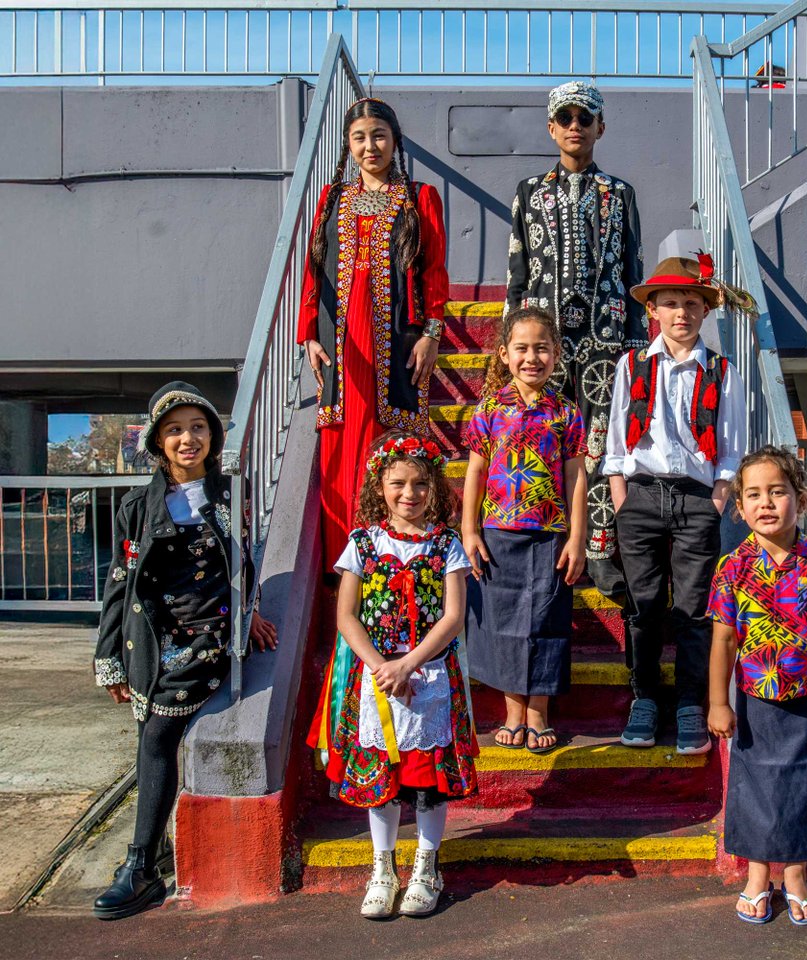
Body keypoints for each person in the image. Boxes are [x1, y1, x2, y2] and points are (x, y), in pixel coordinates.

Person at [92, 381, 277, 920]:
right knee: (150, 737)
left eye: (197, 427)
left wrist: (250, 614)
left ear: (213, 437)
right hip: (153, 635)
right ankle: (147, 854)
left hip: (208, 635)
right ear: (157, 440)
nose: (187, 438)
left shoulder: (231, 494)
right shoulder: (135, 506)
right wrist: (109, 656)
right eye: (174, 430)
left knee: (157, 733)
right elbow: (119, 582)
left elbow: (246, 559)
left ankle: (139, 865)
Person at [307, 433, 476, 918]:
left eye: (420, 483)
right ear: (378, 486)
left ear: (434, 488)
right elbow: (346, 616)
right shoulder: (362, 543)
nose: (410, 494)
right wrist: (382, 666)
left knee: (428, 779)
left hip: (430, 675)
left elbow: (452, 617)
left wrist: (410, 663)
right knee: (381, 777)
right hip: (375, 678)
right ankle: (383, 867)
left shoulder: (447, 545)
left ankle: (427, 865)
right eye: (398, 483)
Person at [708, 446, 807, 926]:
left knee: (806, 782)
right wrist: (717, 702)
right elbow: (724, 639)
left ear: (802, 497)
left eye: (778, 492)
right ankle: (757, 876)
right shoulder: (731, 567)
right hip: (754, 699)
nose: (766, 503)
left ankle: (795, 875)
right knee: (754, 785)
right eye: (753, 495)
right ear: (740, 507)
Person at [504, 79, 645, 597]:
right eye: (565, 118)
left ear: (600, 127)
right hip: (545, 340)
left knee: (601, 444)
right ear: (551, 127)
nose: (574, 127)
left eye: (584, 118)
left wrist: (635, 340)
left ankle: (600, 548)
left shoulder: (620, 194)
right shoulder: (529, 192)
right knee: (541, 438)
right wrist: (512, 339)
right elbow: (518, 268)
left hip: (605, 338)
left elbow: (634, 266)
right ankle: (545, 535)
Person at [603, 254, 748, 754]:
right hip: (640, 495)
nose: (681, 312)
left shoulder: (721, 370)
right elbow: (617, 436)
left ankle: (690, 700)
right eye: (670, 303)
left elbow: (730, 443)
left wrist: (719, 494)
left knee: (693, 606)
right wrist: (621, 495)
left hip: (695, 499)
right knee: (643, 606)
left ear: (705, 311)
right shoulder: (633, 364)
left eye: (691, 302)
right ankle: (645, 696)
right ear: (654, 313)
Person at [298, 97, 449, 560]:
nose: (370, 146)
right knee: (341, 440)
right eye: (359, 137)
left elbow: (434, 270)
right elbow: (313, 268)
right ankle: (340, 564)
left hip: (398, 337)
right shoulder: (332, 199)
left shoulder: (419, 197)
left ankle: (391, 552)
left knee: (393, 439)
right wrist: (308, 334)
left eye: (379, 135)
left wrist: (432, 332)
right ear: (348, 145)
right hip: (341, 340)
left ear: (394, 141)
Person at [462, 307, 588, 754]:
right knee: (503, 622)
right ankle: (513, 710)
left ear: (556, 354)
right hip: (498, 533)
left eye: (542, 348)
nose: (532, 357)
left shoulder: (566, 413)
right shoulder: (490, 411)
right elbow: (475, 473)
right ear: (504, 353)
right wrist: (469, 531)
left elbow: (575, 477)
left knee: (545, 620)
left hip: (550, 534)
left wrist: (577, 537)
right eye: (522, 348)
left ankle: (539, 712)